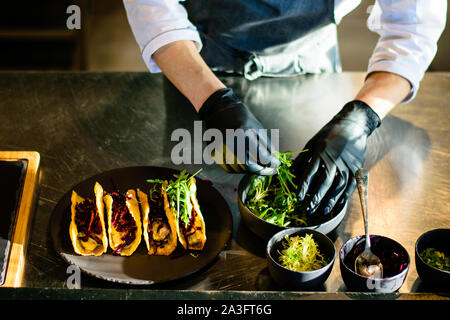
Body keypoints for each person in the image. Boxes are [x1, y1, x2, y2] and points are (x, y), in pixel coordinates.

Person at [123, 0, 446, 215]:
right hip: (195, 61)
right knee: (198, 212)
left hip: (311, 67)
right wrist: (211, 99)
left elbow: (413, 26)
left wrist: (363, 115)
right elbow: (152, 4)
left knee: (310, 200)